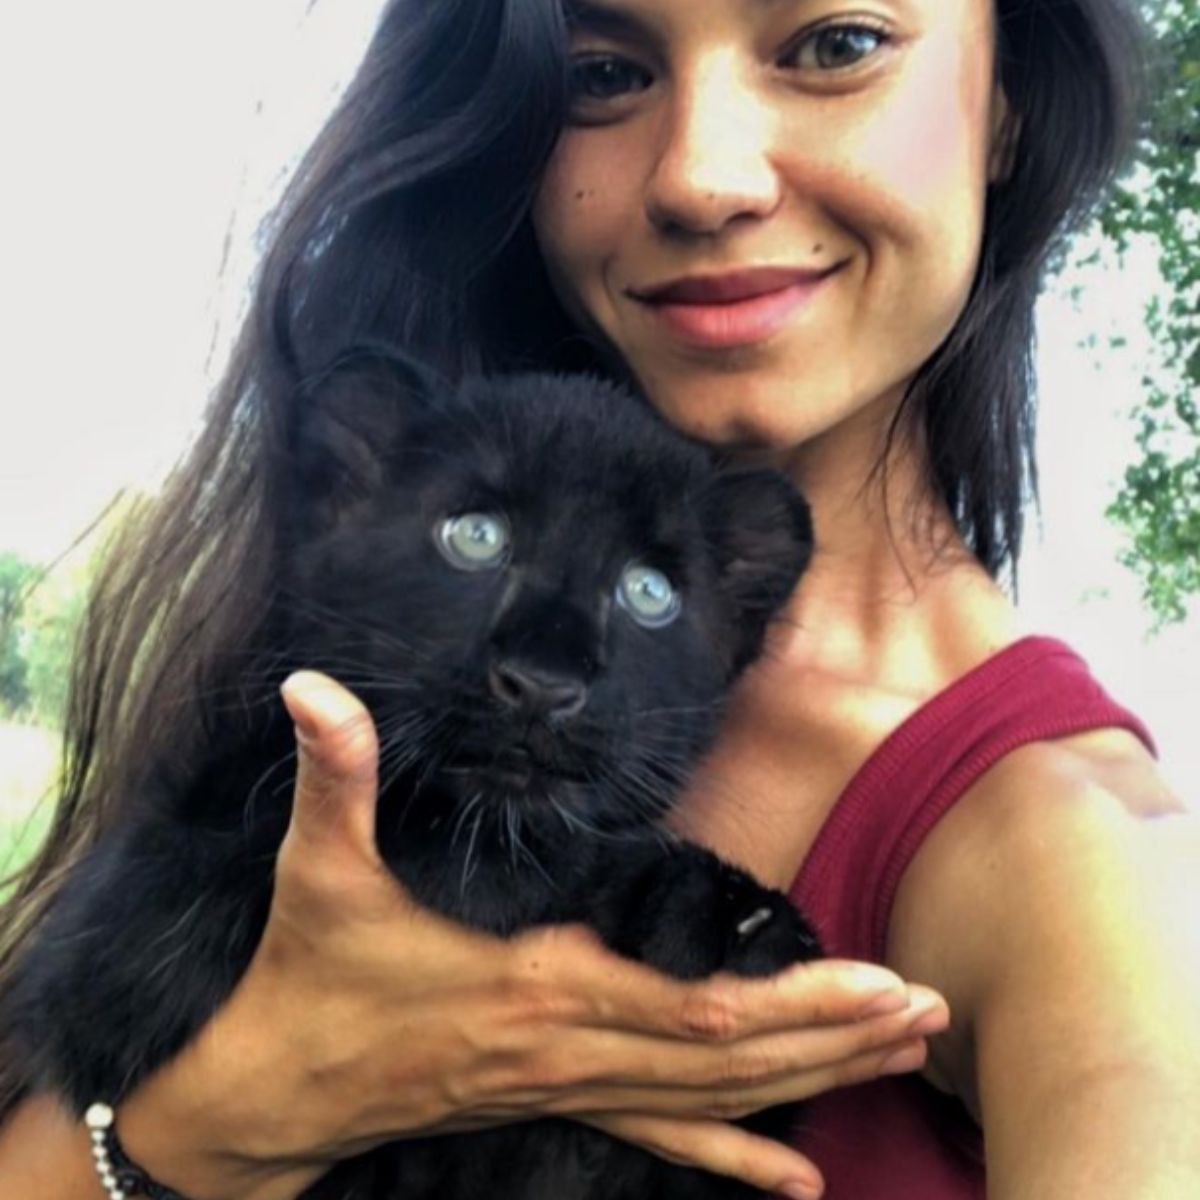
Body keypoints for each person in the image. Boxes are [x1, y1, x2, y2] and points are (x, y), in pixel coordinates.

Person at [1, 0, 1197, 1196]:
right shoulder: (359, 620)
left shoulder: (1097, 877)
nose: (701, 177)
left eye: (836, 43)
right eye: (606, 73)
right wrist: (222, 1117)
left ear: (1008, 107)